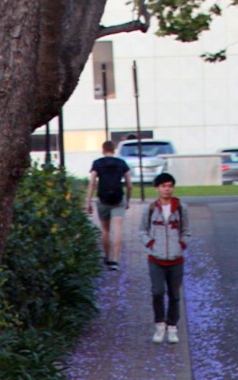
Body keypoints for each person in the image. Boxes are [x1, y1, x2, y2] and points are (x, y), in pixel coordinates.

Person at [141, 170, 188, 344]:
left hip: (176, 259)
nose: (167, 190)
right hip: (156, 259)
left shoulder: (181, 208)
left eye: (170, 186)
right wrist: (150, 244)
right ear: (157, 189)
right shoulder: (151, 209)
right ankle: (160, 325)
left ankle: (172, 326)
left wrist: (181, 245)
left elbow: (186, 231)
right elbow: (142, 230)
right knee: (158, 291)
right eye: (163, 186)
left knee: (174, 294)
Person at [87, 139, 132, 268]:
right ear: (114, 150)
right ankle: (115, 261)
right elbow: (130, 185)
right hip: (118, 199)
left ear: (103, 150)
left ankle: (107, 257)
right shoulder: (122, 163)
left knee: (105, 230)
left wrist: (88, 202)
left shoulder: (97, 163)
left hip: (103, 200)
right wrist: (127, 200)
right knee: (118, 230)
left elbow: (92, 183)